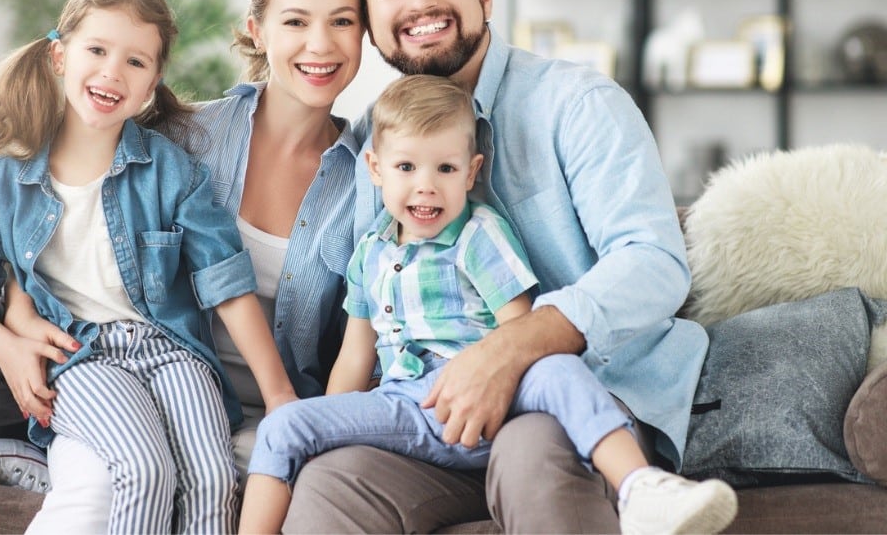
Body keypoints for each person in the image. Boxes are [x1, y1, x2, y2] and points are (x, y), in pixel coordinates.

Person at [281, 0, 714, 534]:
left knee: (534, 447)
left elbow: (653, 263)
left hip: (582, 401)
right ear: (372, 23)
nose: (420, 1)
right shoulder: (377, 139)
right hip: (433, 415)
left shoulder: (577, 103)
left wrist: (511, 350)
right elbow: (375, 298)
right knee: (330, 484)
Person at [239, 74, 737, 535]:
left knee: (557, 369)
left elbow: (517, 334)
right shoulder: (371, 250)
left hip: (492, 397)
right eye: (407, 167)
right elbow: (354, 355)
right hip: (409, 408)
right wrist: (330, 423)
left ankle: (642, 488)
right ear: (375, 168)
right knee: (284, 425)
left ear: (472, 171)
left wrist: (495, 382)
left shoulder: (478, 236)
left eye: (446, 168)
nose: (426, 185)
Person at [0, 0, 365, 533]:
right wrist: (15, 321)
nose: (319, 44)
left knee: (231, 490)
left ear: (364, 33)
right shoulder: (180, 139)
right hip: (127, 383)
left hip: (260, 414)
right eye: (295, 21)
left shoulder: (370, 179)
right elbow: (38, 221)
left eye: (343, 21)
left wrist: (302, 417)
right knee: (97, 495)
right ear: (256, 29)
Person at [0, 0, 299, 534]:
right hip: (81, 357)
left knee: (211, 474)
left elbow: (225, 279)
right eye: (97, 50)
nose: (112, 71)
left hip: (173, 349)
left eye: (135, 61)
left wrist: (279, 394)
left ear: (153, 82)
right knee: (144, 468)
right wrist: (8, 347)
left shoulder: (169, 168)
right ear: (60, 56)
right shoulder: (4, 183)